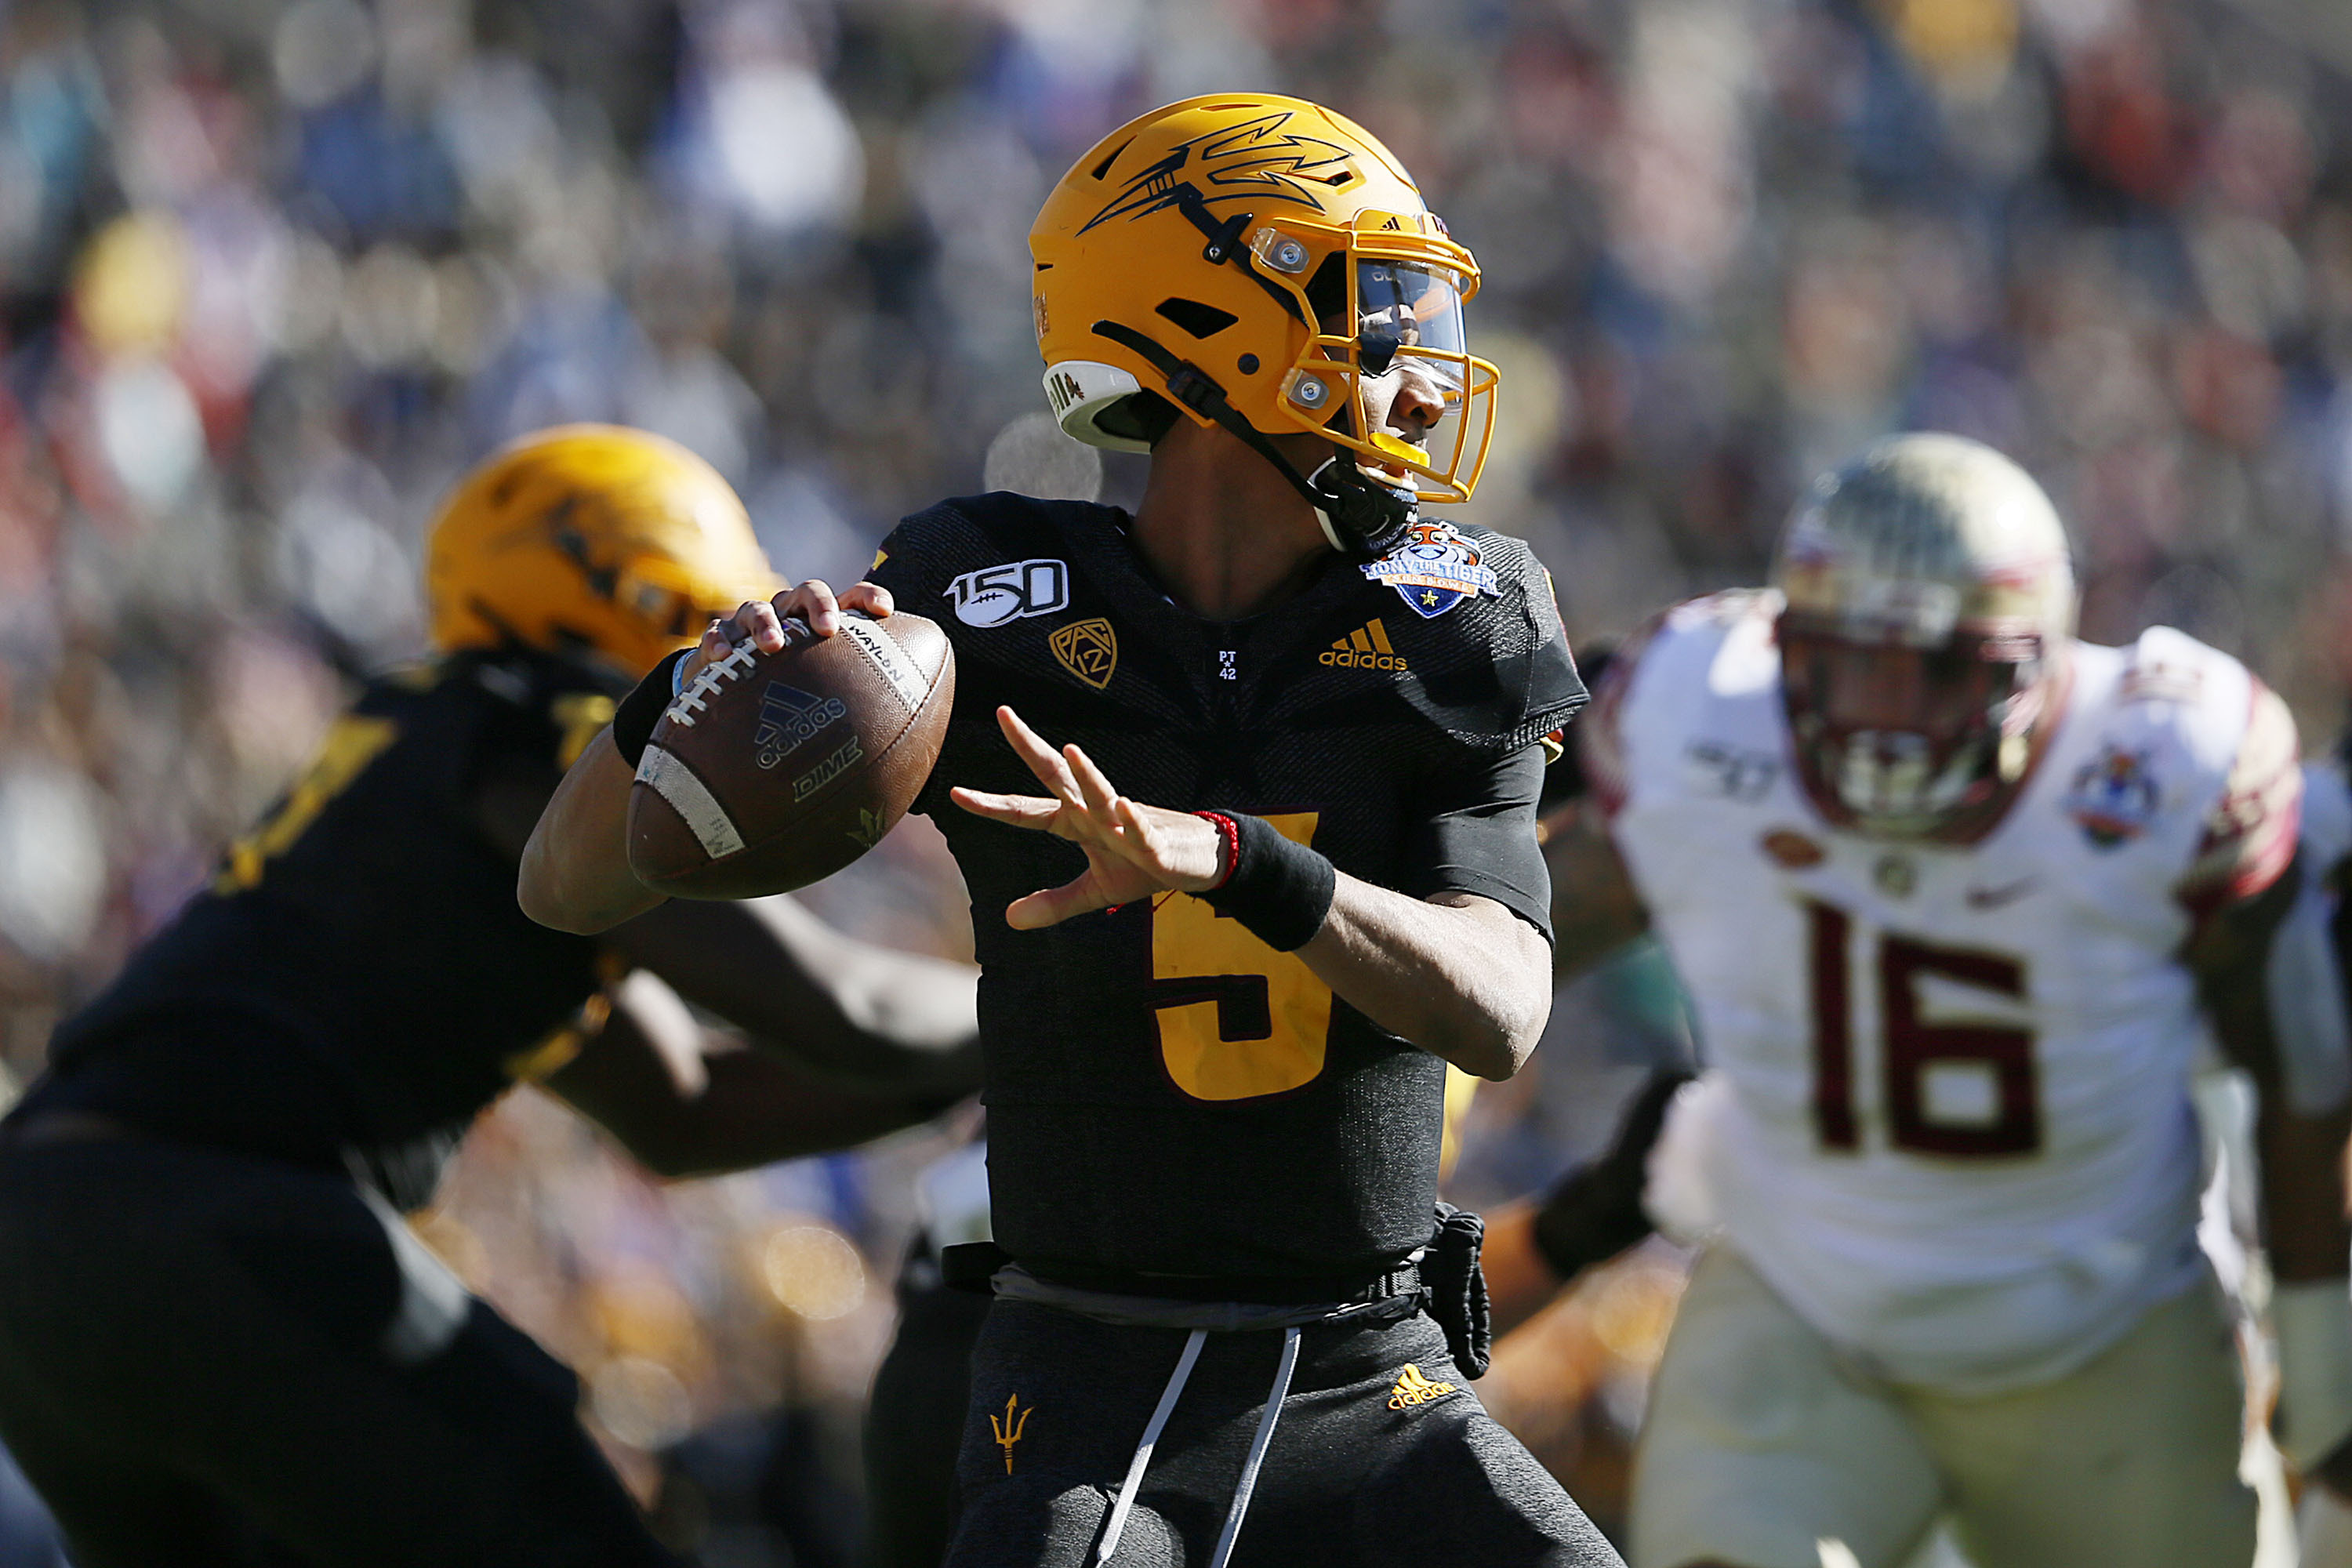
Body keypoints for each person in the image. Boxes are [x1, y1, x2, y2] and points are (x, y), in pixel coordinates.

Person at [524, 94, 1621, 1567]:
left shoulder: (1459, 614)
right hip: (1090, 1390)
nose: (1420, 356)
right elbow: (567, 882)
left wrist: (1235, 861)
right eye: (1372, 298)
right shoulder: (987, 596)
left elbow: (1501, 1009)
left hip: (1381, 1376)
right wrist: (698, 684)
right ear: (1209, 314)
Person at [0, 425, 982, 1568]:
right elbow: (843, 1011)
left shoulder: (425, 757)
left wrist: (987, 1060)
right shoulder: (539, 732)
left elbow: (688, 1108)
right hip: (213, 1213)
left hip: (42, 1231)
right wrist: (1061, 1007)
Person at [1475, 432, 2352, 1568]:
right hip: (1805, 1317)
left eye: (1940, 668)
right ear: (1789, 647)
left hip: (2106, 1340)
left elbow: (2303, 1074)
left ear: (2040, 661)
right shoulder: (1706, 717)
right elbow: (1506, 945)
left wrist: (2325, 1378)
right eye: (1852, 662)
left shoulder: (2161, 759)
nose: (1888, 711)